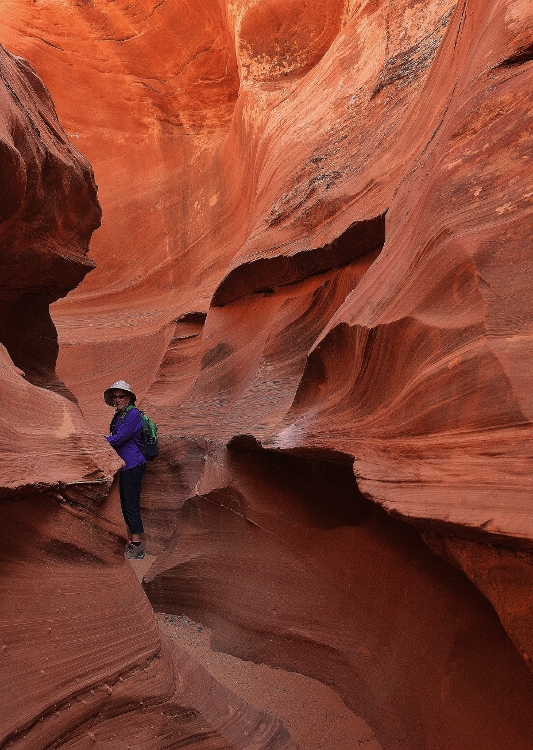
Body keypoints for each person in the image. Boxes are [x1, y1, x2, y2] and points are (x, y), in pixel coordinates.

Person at [104, 380, 147, 560]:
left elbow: (120, 438)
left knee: (130, 503)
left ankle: (137, 547)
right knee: (124, 502)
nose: (117, 399)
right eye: (114, 397)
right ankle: (131, 541)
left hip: (134, 464)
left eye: (121, 396)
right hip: (125, 465)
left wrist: (98, 440)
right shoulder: (119, 416)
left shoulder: (133, 415)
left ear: (129, 397)